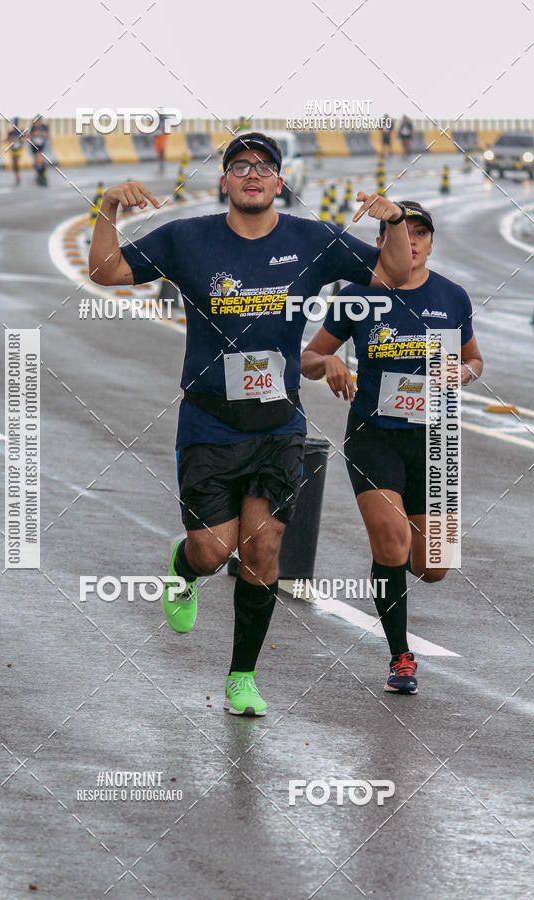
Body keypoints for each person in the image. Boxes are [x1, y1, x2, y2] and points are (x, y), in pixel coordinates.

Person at [89, 132, 411, 716]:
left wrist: (392, 224)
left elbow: (391, 274)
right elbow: (107, 272)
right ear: (225, 181)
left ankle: (242, 677)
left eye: (265, 166)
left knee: (263, 553)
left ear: (280, 181)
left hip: (278, 424)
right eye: (241, 166)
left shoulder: (311, 240)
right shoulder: (188, 239)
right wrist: (107, 207)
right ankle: (184, 567)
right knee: (214, 553)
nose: (253, 174)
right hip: (210, 422)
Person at [301, 201, 483, 695]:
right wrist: (329, 365)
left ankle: (391, 574)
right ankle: (401, 655)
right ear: (383, 242)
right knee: (392, 543)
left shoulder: (451, 296)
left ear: (430, 242)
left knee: (433, 567)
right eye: (403, 233)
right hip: (373, 435)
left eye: (422, 233)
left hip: (434, 439)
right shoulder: (357, 295)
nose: (414, 241)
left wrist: (461, 374)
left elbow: (474, 360)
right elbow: (310, 356)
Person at [28, 115, 49, 186]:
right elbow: (29, 136)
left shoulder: (44, 127)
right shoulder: (33, 127)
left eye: (38, 121)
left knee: (40, 160)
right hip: (34, 145)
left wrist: (42, 134)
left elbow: (47, 135)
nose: (37, 122)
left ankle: (43, 175)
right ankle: (39, 175)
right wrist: (33, 134)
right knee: (37, 161)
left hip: (40, 145)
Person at [6, 117, 24, 186]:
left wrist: (21, 141)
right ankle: (16, 175)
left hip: (19, 149)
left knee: (16, 162)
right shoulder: (11, 132)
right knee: (14, 164)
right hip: (13, 149)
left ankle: (18, 176)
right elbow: (8, 139)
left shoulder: (21, 131)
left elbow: (24, 139)